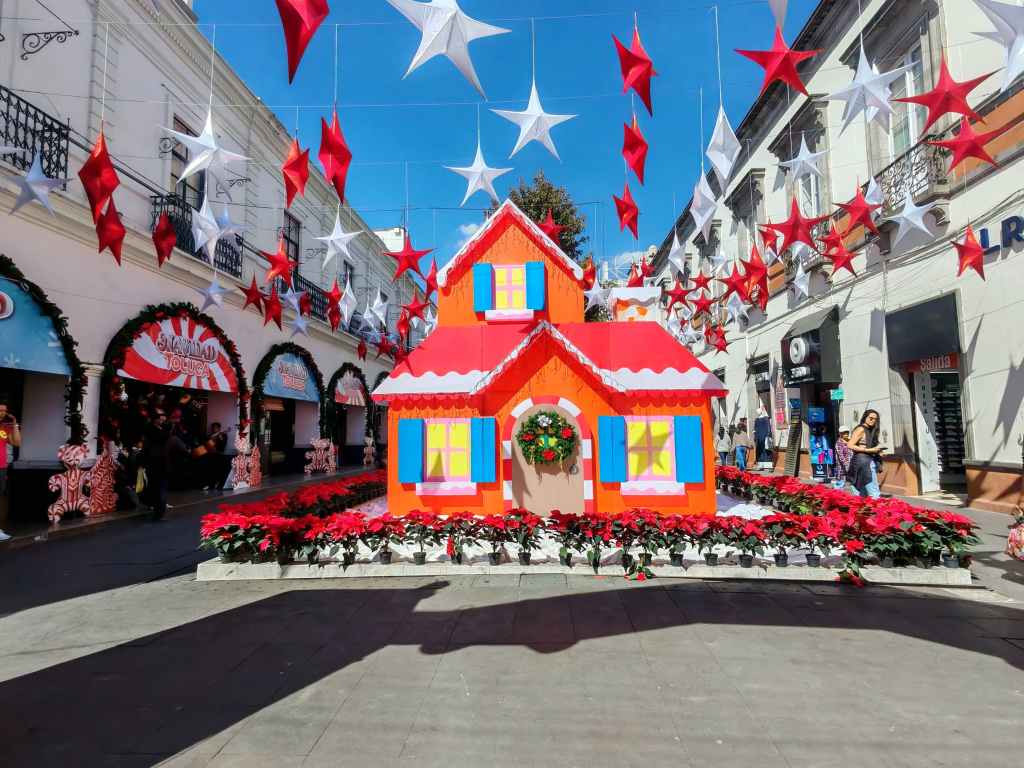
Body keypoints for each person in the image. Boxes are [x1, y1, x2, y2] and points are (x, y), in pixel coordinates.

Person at [847, 410, 886, 498]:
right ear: (865, 417)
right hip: (863, 462)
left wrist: (879, 452)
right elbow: (849, 445)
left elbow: (870, 445)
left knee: (861, 494)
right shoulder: (861, 429)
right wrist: (869, 450)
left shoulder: (871, 430)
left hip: (865, 461)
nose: (873, 421)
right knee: (873, 493)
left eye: (875, 419)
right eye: (870, 418)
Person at [142, 409, 170, 521]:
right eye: (161, 417)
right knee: (159, 487)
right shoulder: (157, 431)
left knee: (156, 486)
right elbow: (164, 436)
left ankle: (157, 509)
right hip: (157, 461)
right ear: (156, 419)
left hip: (155, 462)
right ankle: (159, 510)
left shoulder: (152, 430)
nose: (163, 419)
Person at [0, 398, 21, 542]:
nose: (2, 413)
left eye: (4, 411)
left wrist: (15, 425)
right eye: (0, 410)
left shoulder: (4, 428)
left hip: (1, 466)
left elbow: (17, 442)